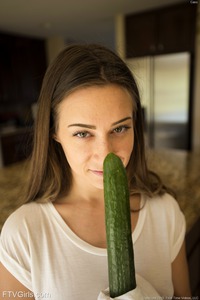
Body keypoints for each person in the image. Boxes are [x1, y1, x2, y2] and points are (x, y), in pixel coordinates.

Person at [0, 44, 191, 300]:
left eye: (120, 129)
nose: (106, 153)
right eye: (82, 133)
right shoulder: (23, 234)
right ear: (54, 132)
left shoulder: (165, 212)